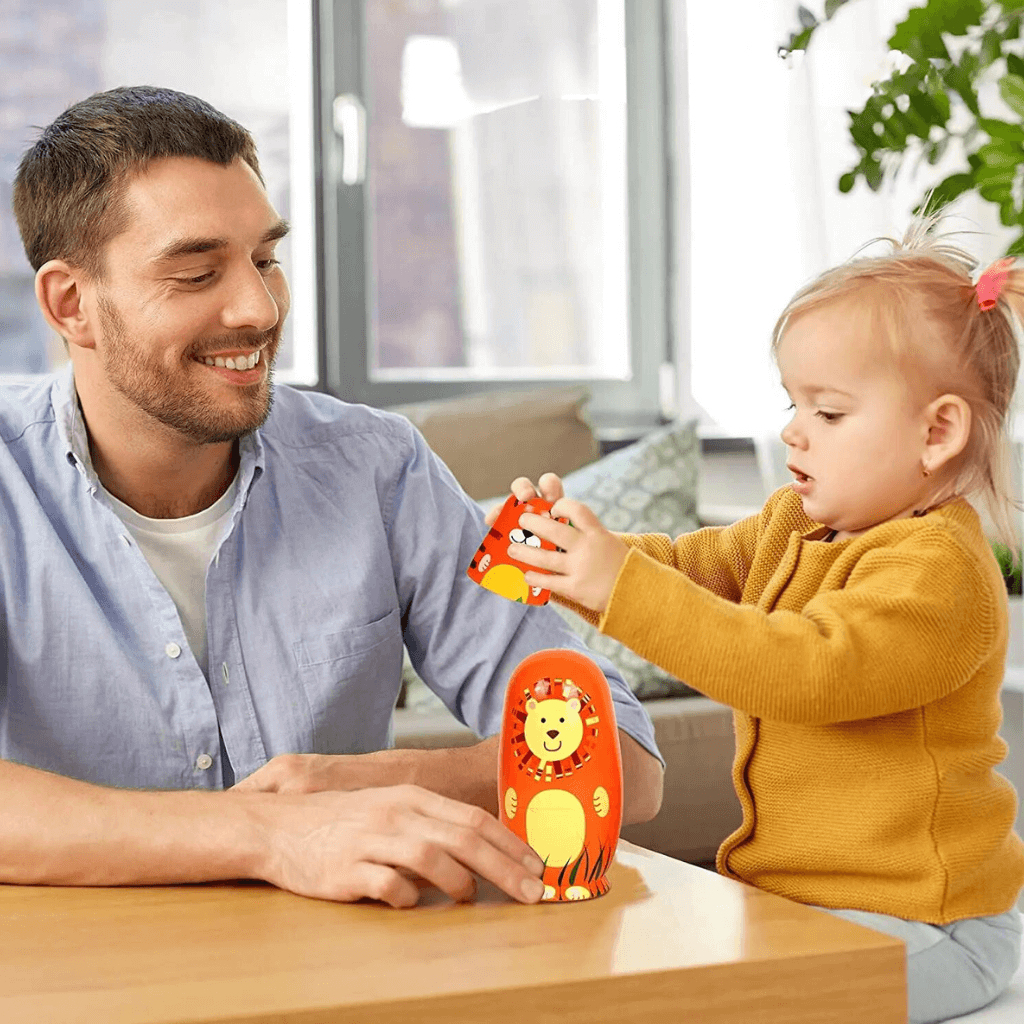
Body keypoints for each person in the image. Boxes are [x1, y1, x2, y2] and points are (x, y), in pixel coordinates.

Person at [0, 85, 664, 910]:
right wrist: (274, 833)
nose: (259, 307)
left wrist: (386, 780)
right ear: (72, 305)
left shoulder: (382, 470)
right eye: (198, 272)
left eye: (266, 259)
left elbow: (625, 762)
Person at [499, 221, 1024, 1022]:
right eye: (792, 403)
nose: (792, 429)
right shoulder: (793, 523)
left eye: (830, 411)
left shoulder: (940, 574)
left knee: (732, 1003)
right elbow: (688, 568)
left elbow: (802, 670)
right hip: (799, 904)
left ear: (937, 432)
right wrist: (578, 559)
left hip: (930, 925)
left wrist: (620, 587)